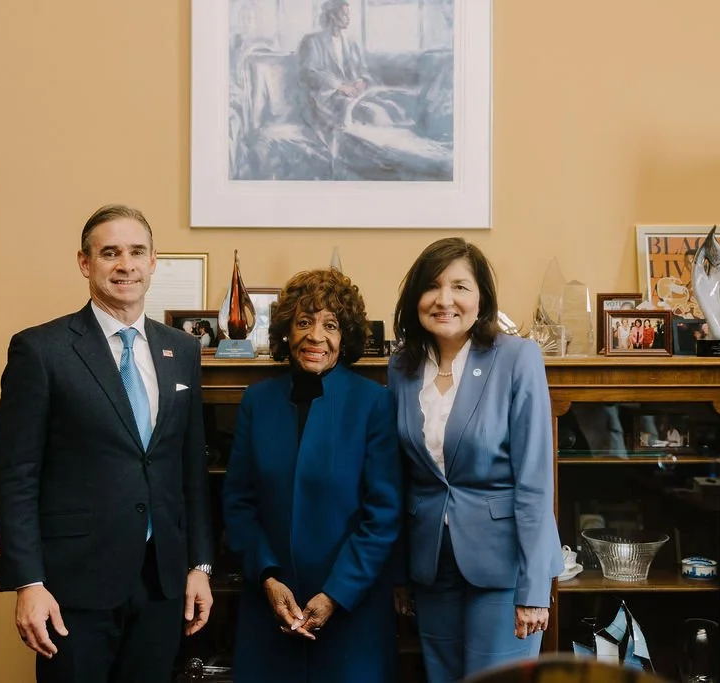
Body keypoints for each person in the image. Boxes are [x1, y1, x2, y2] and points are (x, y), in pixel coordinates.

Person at [0, 204, 214, 683]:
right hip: (74, 586)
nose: (125, 265)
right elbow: (15, 476)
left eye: (136, 252)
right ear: (84, 262)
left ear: (154, 262)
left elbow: (189, 469)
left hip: (161, 583)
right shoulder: (41, 351)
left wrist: (200, 565)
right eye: (109, 253)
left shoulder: (183, 350)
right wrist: (28, 583)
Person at [388, 238, 563, 682]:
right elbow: (402, 477)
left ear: (481, 297)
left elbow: (535, 481)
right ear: (416, 299)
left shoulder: (517, 358)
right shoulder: (402, 367)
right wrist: (401, 573)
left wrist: (534, 587)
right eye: (432, 287)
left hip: (504, 569)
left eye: (460, 287)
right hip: (432, 567)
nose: (445, 300)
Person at [222, 268, 402, 683]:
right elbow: (239, 501)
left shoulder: (374, 403)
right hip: (270, 605)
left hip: (351, 608)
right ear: (286, 331)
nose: (315, 336)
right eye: (303, 322)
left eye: (330, 325)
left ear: (347, 336)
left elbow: (384, 514)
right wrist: (267, 576)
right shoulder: (258, 401)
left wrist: (336, 594)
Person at [297, 0, 405, 144]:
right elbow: (309, 72)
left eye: (349, 14)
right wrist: (340, 86)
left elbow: (363, 70)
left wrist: (361, 81)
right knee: (373, 113)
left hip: (354, 94)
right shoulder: (312, 41)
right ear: (332, 15)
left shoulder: (351, 43)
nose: (348, 18)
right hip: (327, 98)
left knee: (390, 104)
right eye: (344, 14)